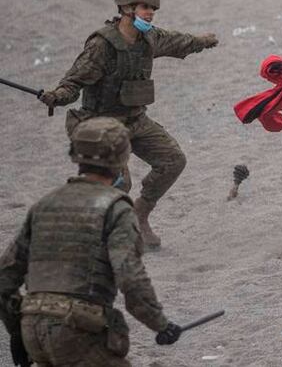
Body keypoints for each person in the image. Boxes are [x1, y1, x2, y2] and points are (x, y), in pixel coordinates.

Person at [38, 0, 218, 249]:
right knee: (120, 182)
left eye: (152, 8)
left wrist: (202, 41)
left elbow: (179, 42)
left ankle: (140, 215)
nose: (150, 13)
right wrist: (57, 96)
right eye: (145, 7)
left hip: (136, 121)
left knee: (173, 160)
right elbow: (73, 83)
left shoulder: (149, 38)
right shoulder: (102, 46)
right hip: (102, 126)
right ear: (126, 8)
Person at [0, 118, 182, 367]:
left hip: (33, 329)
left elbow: (4, 279)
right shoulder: (116, 208)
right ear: (121, 157)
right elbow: (130, 277)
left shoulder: (45, 204)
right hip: (78, 330)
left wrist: (17, 331)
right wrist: (160, 324)